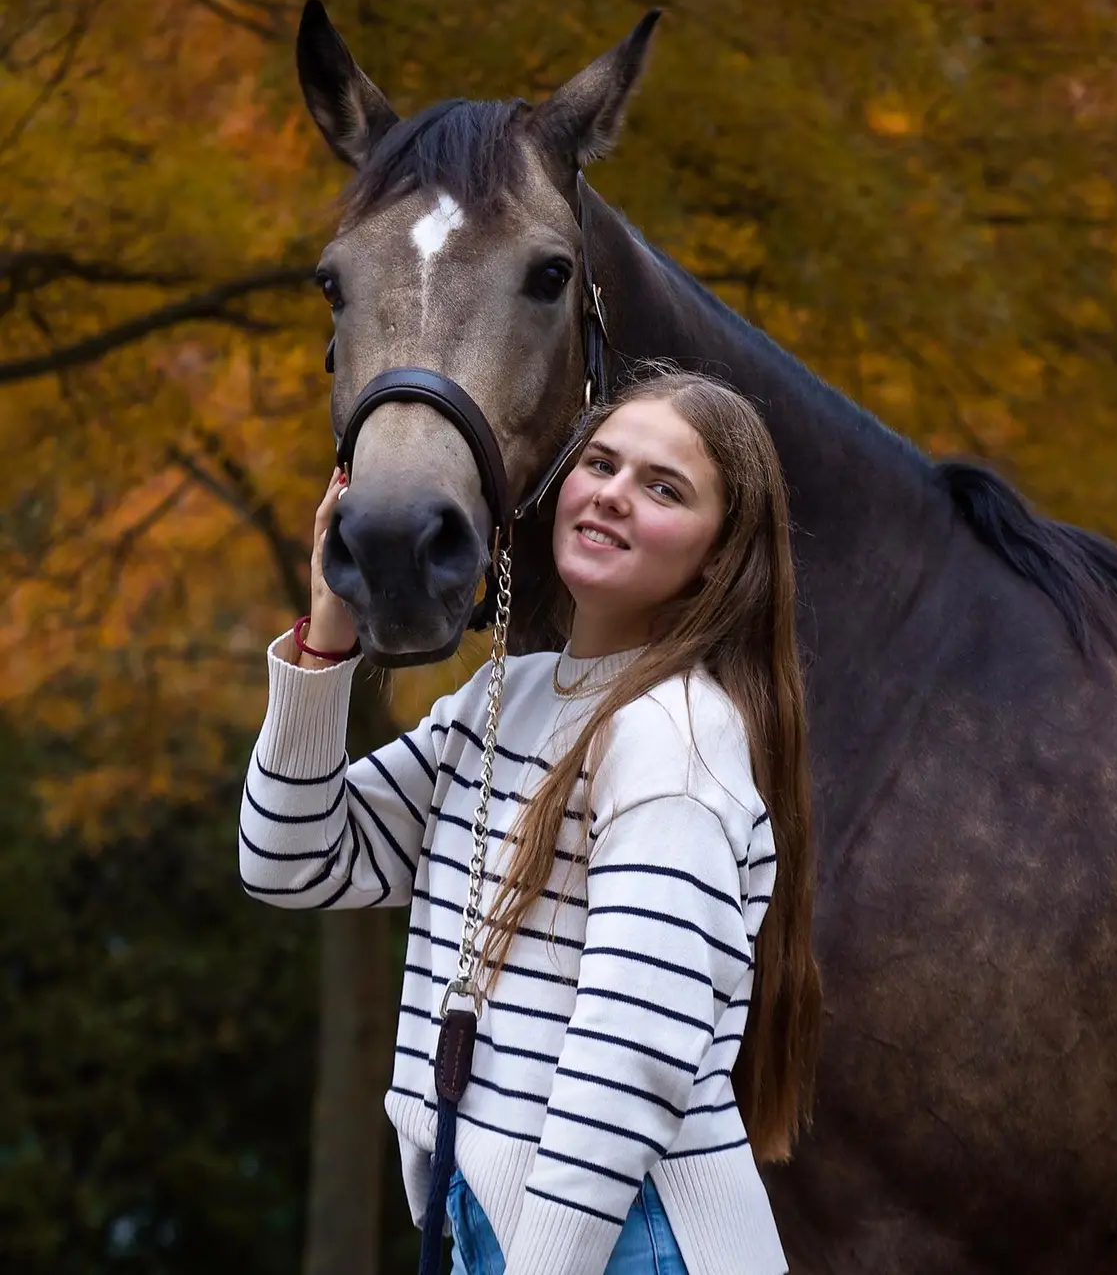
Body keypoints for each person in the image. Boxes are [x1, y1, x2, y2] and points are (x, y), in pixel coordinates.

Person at [239, 368, 821, 1275]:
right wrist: (327, 636)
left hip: (622, 1237)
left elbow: (626, 1066)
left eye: (664, 488)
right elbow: (293, 859)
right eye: (601, 464)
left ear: (718, 555)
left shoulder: (676, 740)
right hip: (507, 1221)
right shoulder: (505, 701)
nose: (614, 496)